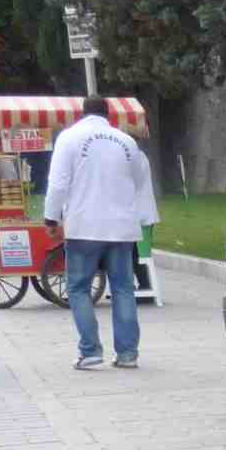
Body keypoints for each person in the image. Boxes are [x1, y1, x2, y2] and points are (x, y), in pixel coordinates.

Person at [44, 95, 157, 370]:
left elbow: (58, 182)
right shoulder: (126, 142)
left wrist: (51, 217)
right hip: (121, 227)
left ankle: (91, 350)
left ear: (82, 113)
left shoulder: (69, 138)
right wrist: (142, 216)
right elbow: (140, 181)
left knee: (79, 288)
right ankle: (128, 352)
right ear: (109, 114)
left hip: (84, 224)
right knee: (123, 289)